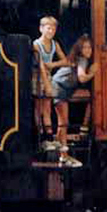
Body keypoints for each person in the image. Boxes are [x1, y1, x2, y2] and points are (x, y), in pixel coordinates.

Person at [52, 34, 99, 167]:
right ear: (79, 49)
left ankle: (83, 127)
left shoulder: (81, 59)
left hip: (66, 88)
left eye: (89, 47)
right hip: (60, 87)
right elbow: (82, 78)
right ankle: (63, 155)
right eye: (85, 48)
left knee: (91, 95)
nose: (88, 50)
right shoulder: (82, 60)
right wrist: (92, 72)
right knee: (64, 122)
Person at [32, 16, 68, 145]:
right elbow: (40, 65)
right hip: (37, 77)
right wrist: (47, 85)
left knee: (47, 108)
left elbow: (65, 61)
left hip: (47, 75)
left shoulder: (55, 44)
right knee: (38, 108)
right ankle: (39, 135)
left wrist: (52, 65)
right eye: (48, 28)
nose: (51, 31)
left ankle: (48, 136)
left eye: (53, 28)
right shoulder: (36, 44)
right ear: (41, 29)